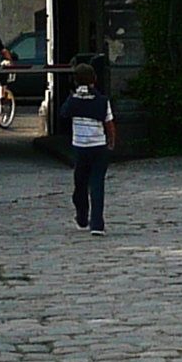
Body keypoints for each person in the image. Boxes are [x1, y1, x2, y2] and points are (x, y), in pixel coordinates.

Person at [61, 64, 114, 235]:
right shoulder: (102, 101)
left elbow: (64, 112)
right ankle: (97, 224)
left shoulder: (73, 100)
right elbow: (110, 124)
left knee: (80, 183)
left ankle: (82, 216)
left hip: (81, 147)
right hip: (99, 146)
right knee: (97, 184)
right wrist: (111, 142)